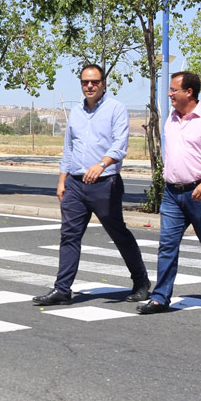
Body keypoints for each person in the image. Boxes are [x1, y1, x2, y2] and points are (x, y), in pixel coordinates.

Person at [33, 64, 151, 306]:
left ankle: (141, 282)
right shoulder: (76, 112)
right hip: (75, 184)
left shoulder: (116, 109)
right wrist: (62, 180)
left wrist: (101, 164)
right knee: (69, 235)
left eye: (94, 82)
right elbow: (69, 149)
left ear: (103, 84)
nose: (89, 86)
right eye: (85, 82)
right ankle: (62, 289)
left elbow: (119, 145)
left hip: (105, 183)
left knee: (118, 233)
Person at [138, 71, 201, 314]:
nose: (169, 94)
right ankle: (160, 298)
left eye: (174, 90)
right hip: (172, 194)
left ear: (189, 92)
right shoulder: (171, 119)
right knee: (167, 246)